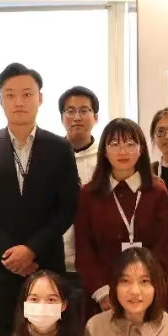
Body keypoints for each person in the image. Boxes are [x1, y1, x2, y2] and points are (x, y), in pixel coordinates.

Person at [0, 63, 81, 336]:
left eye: (27, 94)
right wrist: (10, 251)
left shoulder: (59, 148)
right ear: (0, 100)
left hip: (45, 265)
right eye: (10, 95)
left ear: (40, 98)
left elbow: (67, 207)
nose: (19, 101)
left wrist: (31, 249)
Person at [74, 119, 168, 318]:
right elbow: (84, 250)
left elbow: (164, 247)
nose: (123, 151)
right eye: (115, 144)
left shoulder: (157, 191)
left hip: (148, 294)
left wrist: (145, 288)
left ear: (141, 149)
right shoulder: (89, 194)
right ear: (104, 151)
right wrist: (103, 294)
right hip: (102, 297)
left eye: (130, 144)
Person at [85, 247, 168, 336]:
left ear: (156, 286)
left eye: (144, 281)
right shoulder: (95, 327)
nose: (135, 291)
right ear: (114, 286)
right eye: (125, 281)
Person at [0, 270, 92, 336]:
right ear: (24, 304)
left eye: (51, 300)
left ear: (63, 305)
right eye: (34, 299)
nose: (42, 306)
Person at [58, 85, 101, 288]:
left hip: (98, 260)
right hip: (56, 259)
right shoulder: (48, 156)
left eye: (84, 110)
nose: (77, 117)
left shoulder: (107, 159)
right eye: (70, 111)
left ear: (96, 117)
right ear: (62, 117)